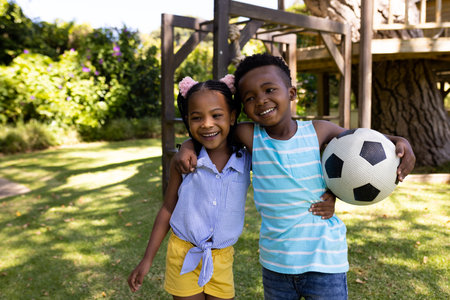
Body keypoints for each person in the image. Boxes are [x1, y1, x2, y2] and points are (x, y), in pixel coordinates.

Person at [175, 53, 416, 300]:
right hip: (276, 264)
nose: (261, 100)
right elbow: (212, 132)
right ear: (242, 108)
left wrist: (399, 141)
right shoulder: (250, 135)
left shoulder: (319, 131)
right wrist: (187, 146)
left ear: (291, 93)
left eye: (270, 89)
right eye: (250, 98)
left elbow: (363, 144)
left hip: (324, 261)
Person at [127, 75, 252, 300]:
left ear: (232, 116)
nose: (206, 124)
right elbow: (167, 208)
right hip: (183, 254)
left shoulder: (246, 157)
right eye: (197, 117)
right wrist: (147, 259)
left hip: (222, 259)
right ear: (187, 120)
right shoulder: (183, 162)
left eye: (216, 115)